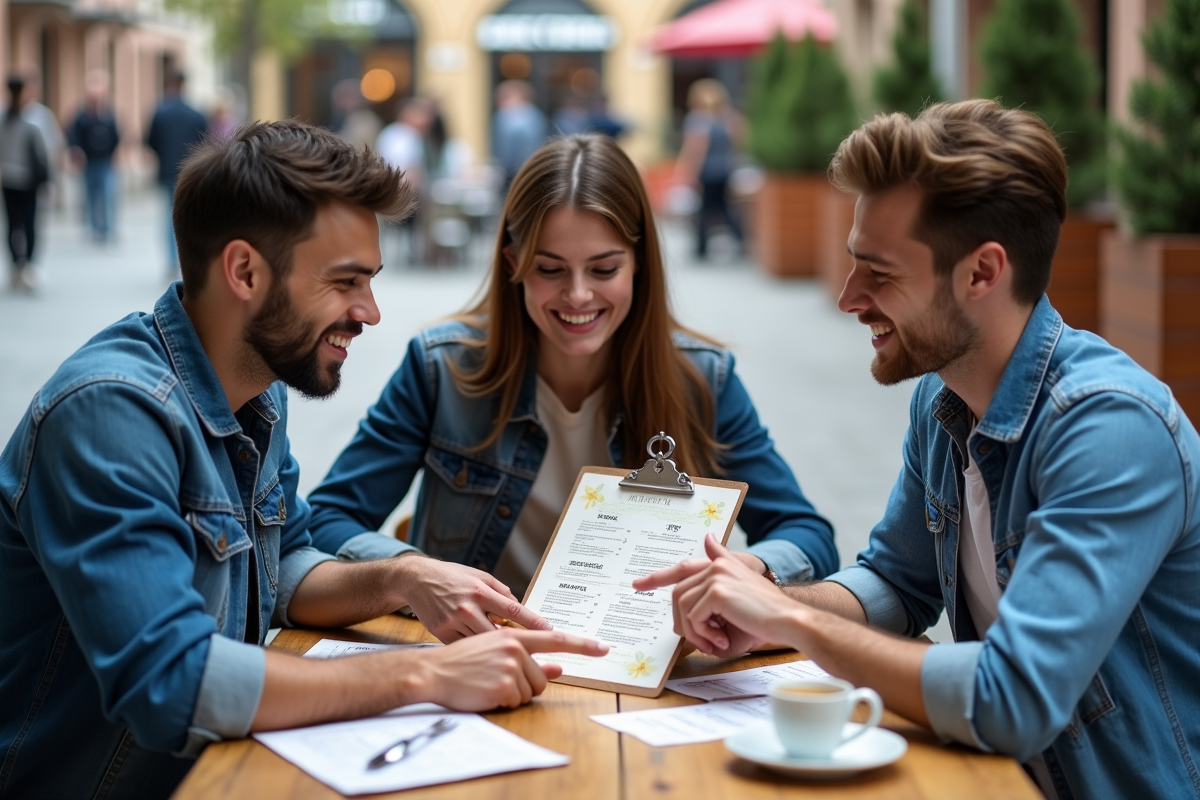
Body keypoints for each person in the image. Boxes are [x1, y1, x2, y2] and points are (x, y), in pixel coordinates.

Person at [0, 121, 605, 799]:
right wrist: (424, 676)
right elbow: (169, 681)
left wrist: (405, 579)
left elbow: (282, 561)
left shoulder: (256, 389)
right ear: (245, 271)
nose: (370, 312)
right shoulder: (109, 412)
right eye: (346, 282)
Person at [635, 100, 1200, 800]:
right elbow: (897, 583)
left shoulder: (1110, 429)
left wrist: (795, 622)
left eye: (880, 271)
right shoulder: (943, 401)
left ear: (981, 273)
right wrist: (761, 601)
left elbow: (1012, 699)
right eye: (853, 265)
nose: (849, 297)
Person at [305, 134, 838, 633]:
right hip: (479, 655)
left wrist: (750, 567)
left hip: (635, 658)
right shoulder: (440, 369)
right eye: (551, 269)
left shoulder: (703, 379)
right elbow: (329, 518)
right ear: (513, 264)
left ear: (638, 266)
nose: (578, 295)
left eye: (604, 269)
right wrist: (411, 573)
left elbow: (807, 536)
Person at [146, 69, 208, 275]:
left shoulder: (160, 113)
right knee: (190, 215)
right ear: (184, 85)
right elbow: (205, 144)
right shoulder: (196, 114)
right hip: (191, 171)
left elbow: (150, 141)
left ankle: (173, 259)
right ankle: (190, 260)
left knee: (169, 215)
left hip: (168, 170)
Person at [675, 79, 744, 260]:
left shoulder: (697, 119)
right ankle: (740, 239)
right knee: (724, 206)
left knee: (704, 208)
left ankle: (701, 247)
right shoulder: (728, 118)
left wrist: (689, 171)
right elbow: (737, 142)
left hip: (706, 172)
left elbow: (697, 148)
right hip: (725, 170)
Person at [0, 76, 49, 291]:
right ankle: (26, 265)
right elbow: (42, 154)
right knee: (26, 224)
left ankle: (20, 266)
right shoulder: (31, 119)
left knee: (15, 224)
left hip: (12, 179)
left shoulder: (12, 119)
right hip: (23, 180)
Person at [67, 70, 120, 242]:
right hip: (88, 162)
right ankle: (92, 227)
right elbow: (72, 135)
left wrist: (116, 154)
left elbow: (117, 135)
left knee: (108, 195)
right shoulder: (81, 115)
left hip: (106, 161)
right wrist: (75, 150)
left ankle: (108, 227)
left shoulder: (109, 113)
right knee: (89, 195)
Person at [491, 79, 547, 193]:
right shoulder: (536, 115)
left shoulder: (506, 115)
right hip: (534, 170)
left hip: (513, 172)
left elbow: (504, 152)